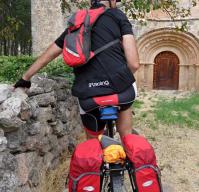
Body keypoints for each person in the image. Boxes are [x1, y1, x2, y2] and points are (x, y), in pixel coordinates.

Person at [14, 0, 140, 140]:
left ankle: (94, 151)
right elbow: (134, 64)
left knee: (92, 144)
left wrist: (25, 78)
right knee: (127, 134)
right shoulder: (118, 15)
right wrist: (119, 79)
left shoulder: (77, 23)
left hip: (89, 95)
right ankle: (127, 141)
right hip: (121, 93)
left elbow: (49, 54)